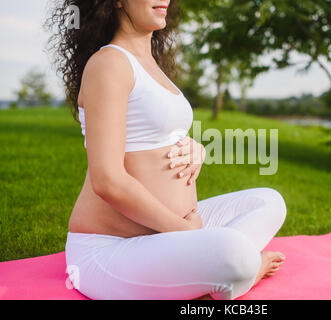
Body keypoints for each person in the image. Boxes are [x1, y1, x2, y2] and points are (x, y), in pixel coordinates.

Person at [48, 0, 287, 300]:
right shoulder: (109, 64)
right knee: (236, 253)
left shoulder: (150, 63)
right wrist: (188, 233)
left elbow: (157, 134)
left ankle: (213, 267)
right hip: (113, 248)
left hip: (170, 232)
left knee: (268, 202)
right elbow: (107, 180)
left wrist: (196, 149)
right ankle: (237, 272)